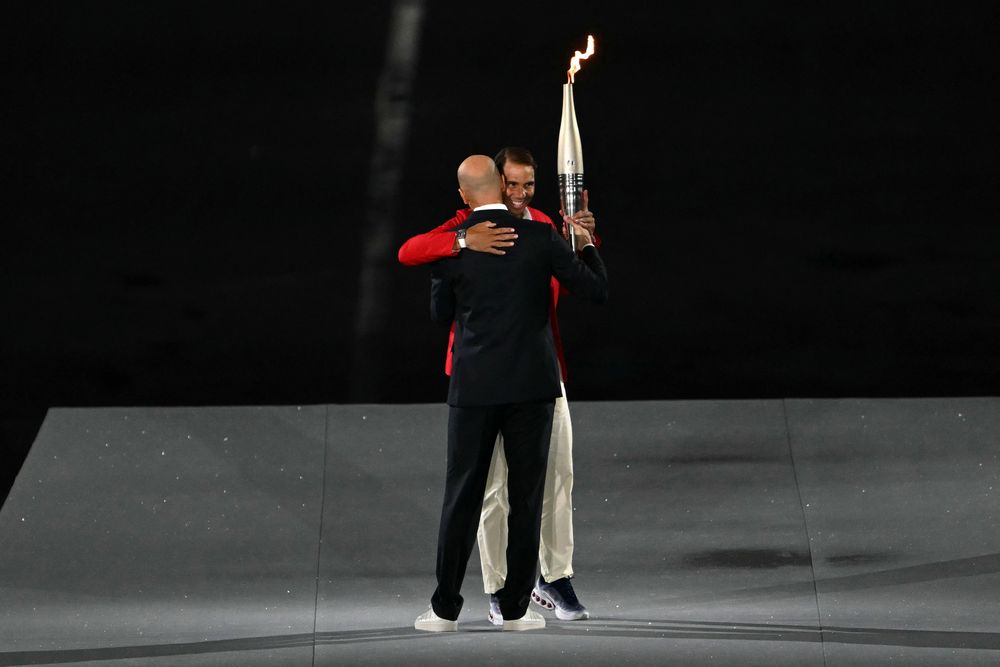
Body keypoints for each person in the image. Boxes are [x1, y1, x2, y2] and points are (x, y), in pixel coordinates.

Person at [399, 147, 597, 623]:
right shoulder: (463, 226)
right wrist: (461, 241)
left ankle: (553, 578)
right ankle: (499, 589)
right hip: (490, 376)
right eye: (512, 184)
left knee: (554, 478)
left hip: (536, 372)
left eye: (529, 185)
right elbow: (411, 251)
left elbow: (571, 282)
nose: (520, 193)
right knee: (492, 491)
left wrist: (583, 239)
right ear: (495, 185)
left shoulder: (543, 227)